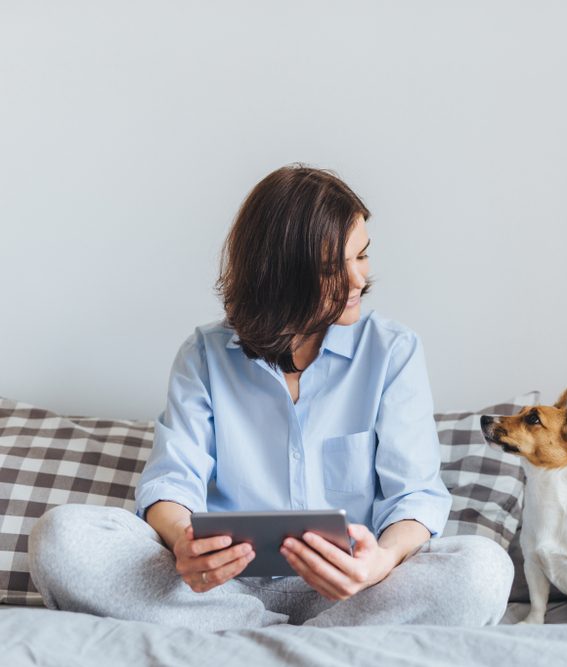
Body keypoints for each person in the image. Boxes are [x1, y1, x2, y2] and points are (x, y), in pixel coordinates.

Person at [27, 164, 514, 631]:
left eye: (361, 254)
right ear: (277, 274)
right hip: (217, 591)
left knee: (484, 570)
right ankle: (291, 638)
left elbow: (415, 496)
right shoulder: (204, 355)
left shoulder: (392, 351)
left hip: (354, 593)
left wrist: (380, 562)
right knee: (61, 539)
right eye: (331, 267)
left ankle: (253, 641)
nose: (358, 280)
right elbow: (172, 483)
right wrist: (185, 543)